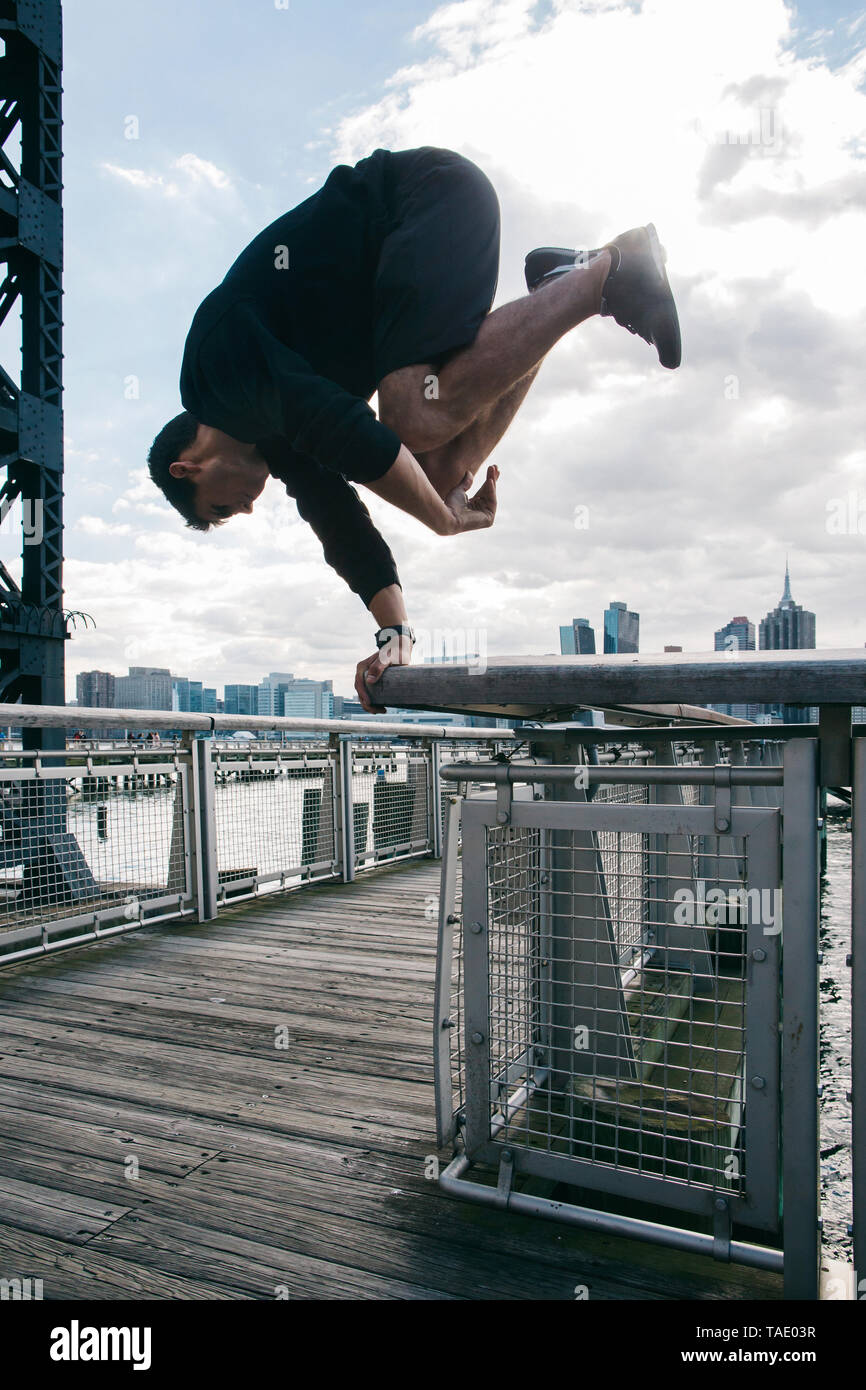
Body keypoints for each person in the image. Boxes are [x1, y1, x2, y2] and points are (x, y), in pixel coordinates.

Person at [147, 146, 680, 713]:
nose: (246, 510)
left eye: (220, 509)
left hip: (419, 204)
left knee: (411, 420)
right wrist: (394, 636)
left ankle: (612, 273)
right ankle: (560, 286)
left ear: (189, 467)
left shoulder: (213, 372)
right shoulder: (272, 432)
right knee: (439, 469)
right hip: (403, 271)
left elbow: (350, 433)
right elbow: (339, 524)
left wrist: (441, 521)